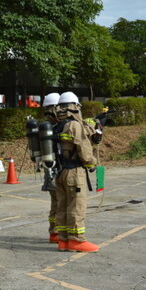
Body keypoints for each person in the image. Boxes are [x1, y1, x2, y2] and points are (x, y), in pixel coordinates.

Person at [55, 92, 98, 253]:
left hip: (60, 171)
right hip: (74, 172)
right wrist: (91, 163)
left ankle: (63, 240)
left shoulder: (58, 125)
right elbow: (83, 148)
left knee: (63, 206)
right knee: (76, 206)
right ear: (75, 106)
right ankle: (77, 241)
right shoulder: (74, 125)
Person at [40, 93, 61, 243]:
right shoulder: (58, 126)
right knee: (60, 202)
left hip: (50, 168)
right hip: (58, 168)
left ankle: (54, 232)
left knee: (56, 202)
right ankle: (56, 232)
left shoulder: (46, 126)